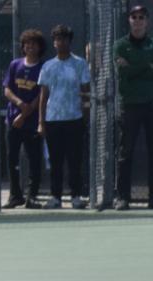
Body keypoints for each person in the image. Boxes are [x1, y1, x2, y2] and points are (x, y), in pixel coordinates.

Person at [37, 25, 92, 209]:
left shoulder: (80, 64)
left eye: (64, 39)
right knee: (56, 161)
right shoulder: (47, 66)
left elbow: (85, 92)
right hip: (53, 121)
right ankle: (56, 197)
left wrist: (85, 116)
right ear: (54, 42)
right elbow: (43, 97)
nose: (61, 42)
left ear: (70, 41)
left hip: (74, 120)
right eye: (58, 39)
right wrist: (41, 122)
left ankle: (76, 196)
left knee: (75, 161)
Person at [113, 4, 153, 209]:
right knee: (126, 152)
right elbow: (124, 75)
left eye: (142, 17)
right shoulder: (120, 45)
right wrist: (145, 66)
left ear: (147, 21)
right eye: (134, 17)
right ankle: (122, 197)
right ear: (129, 20)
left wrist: (135, 68)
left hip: (152, 105)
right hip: (130, 105)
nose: (138, 21)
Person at [3, 29, 47, 209]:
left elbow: (42, 94)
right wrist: (19, 104)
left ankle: (32, 196)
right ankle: (15, 196)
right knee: (11, 158)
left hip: (32, 122)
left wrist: (25, 114)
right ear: (23, 46)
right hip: (13, 121)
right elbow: (7, 89)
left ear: (39, 47)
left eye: (34, 44)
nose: (30, 47)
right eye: (27, 43)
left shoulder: (43, 67)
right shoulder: (15, 65)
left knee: (34, 159)